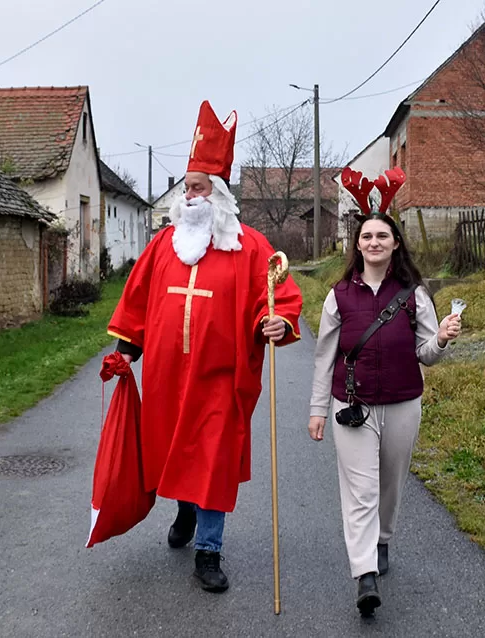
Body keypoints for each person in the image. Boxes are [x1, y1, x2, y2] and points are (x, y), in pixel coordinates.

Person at [106, 100, 303, 594]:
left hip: (221, 380)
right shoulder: (164, 244)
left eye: (199, 187)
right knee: (174, 449)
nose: (190, 196)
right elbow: (136, 299)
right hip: (168, 377)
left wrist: (276, 321)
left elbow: (278, 295)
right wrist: (126, 350)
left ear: (220, 193)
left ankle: (209, 551)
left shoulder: (249, 246)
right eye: (187, 187)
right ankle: (185, 511)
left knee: (212, 457)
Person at [307, 167, 461, 616]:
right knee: (360, 490)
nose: (374, 242)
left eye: (382, 236)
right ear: (357, 245)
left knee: (390, 483)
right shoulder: (338, 295)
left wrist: (442, 338)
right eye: (367, 236)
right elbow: (324, 357)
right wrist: (318, 409)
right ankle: (365, 574)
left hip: (402, 404)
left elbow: (426, 354)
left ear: (395, 244)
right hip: (351, 405)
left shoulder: (415, 295)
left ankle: (383, 540)